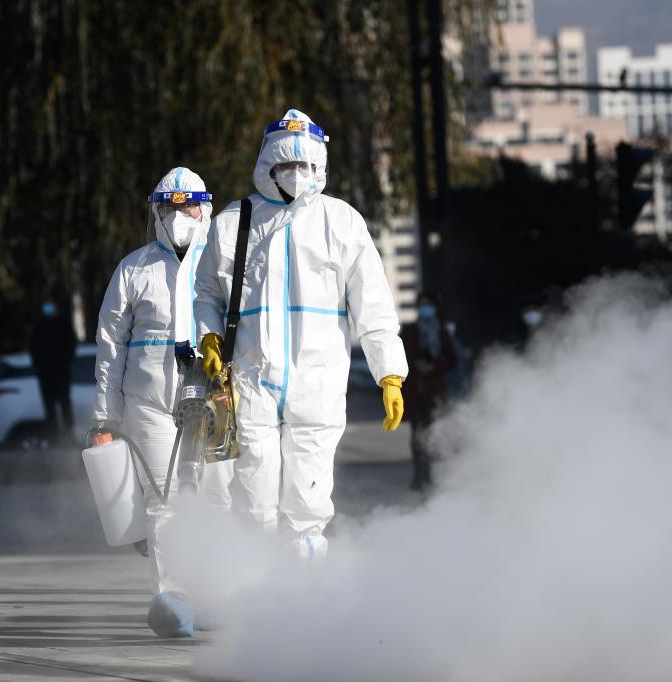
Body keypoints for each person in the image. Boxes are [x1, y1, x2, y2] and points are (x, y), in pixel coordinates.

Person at [194, 109, 408, 559]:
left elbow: (372, 302)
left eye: (306, 165)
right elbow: (207, 292)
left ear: (320, 166)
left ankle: (305, 587)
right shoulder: (235, 222)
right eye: (287, 164)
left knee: (308, 500)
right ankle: (257, 585)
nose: (296, 173)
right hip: (252, 377)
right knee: (255, 497)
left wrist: (389, 373)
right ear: (267, 164)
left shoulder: (340, 221)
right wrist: (209, 337)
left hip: (318, 378)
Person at [91, 167, 233, 638]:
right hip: (149, 400)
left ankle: (217, 595)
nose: (179, 216)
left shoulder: (223, 265)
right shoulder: (134, 269)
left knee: (216, 496)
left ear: (205, 210)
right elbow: (110, 346)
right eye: (169, 208)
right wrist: (105, 417)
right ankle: (174, 599)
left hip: (212, 394)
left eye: (188, 206)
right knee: (164, 499)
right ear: (155, 212)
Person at [400, 293, 457, 490]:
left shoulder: (441, 332)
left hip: (435, 392)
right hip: (416, 391)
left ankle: (437, 474)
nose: (425, 308)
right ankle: (420, 475)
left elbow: (452, 359)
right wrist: (415, 365)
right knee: (418, 434)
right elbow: (400, 356)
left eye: (428, 304)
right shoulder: (409, 331)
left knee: (438, 433)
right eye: (422, 305)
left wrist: (434, 367)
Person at [29, 300, 77, 443]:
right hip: (46, 374)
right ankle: (54, 437)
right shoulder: (40, 326)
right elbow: (34, 348)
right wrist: (40, 366)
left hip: (61, 372)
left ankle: (68, 435)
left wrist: (64, 362)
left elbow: (71, 346)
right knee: (50, 406)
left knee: (64, 403)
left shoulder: (63, 325)